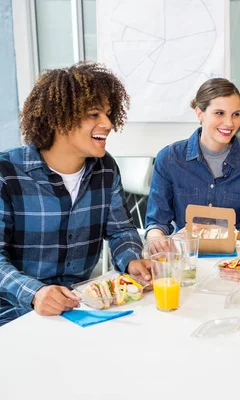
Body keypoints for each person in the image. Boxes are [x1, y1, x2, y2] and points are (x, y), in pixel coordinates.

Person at [0, 62, 150, 326]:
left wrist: (130, 261)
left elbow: (120, 231)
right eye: (94, 114)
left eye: (108, 113)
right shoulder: (7, 173)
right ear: (59, 118)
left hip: (79, 308)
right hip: (15, 315)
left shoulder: (105, 168)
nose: (108, 123)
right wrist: (35, 293)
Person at [145, 78, 240, 244]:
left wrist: (221, 233)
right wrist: (156, 239)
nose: (229, 123)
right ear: (199, 113)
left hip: (233, 262)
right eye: (219, 113)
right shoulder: (169, 159)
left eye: (235, 114)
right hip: (186, 259)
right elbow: (156, 222)